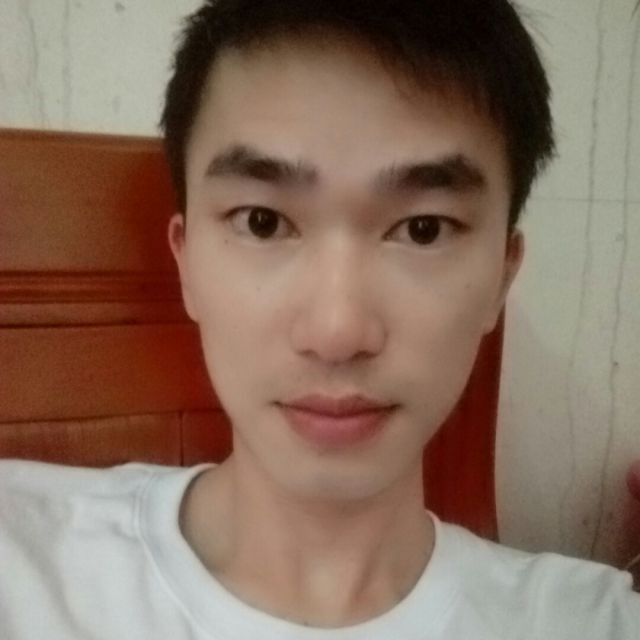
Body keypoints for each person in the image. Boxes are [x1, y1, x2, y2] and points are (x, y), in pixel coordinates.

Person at [0, 1, 638, 638]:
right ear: (186, 262)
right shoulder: (23, 564)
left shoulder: (590, 620)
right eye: (263, 222)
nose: (337, 333)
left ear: (501, 277)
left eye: (423, 229)